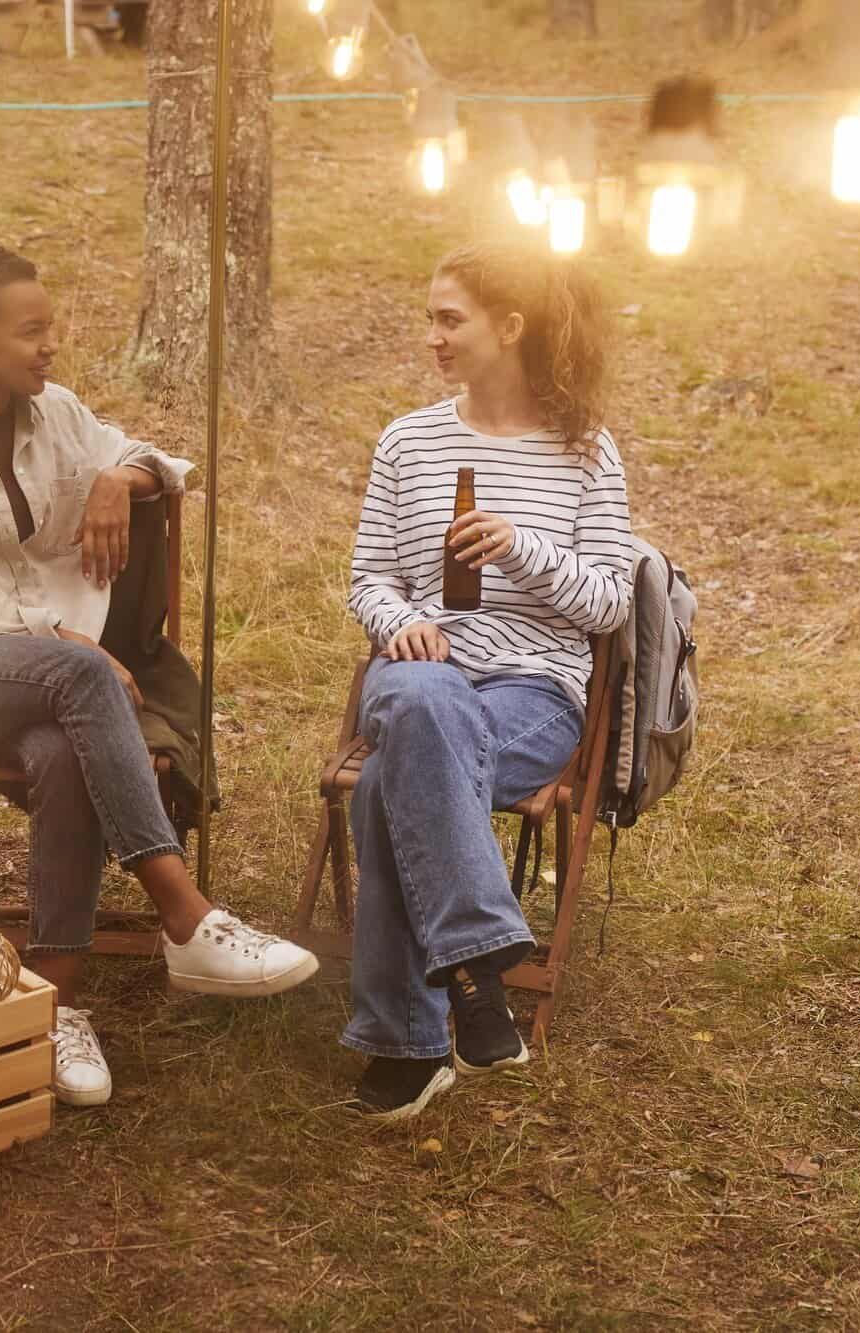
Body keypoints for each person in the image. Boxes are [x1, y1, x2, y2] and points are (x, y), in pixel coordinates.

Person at [0, 223, 317, 1108]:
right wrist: (60, 638)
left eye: (49, 327)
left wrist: (121, 480)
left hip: (42, 683)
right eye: (29, 331)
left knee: (68, 746)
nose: (50, 345)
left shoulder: (56, 414)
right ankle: (184, 913)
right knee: (84, 677)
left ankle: (54, 1001)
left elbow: (156, 459)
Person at [341, 241, 633, 1120]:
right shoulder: (410, 441)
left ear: (509, 328)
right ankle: (476, 969)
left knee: (392, 779)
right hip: (419, 667)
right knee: (426, 703)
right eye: (430, 316)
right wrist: (401, 622)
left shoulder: (584, 452)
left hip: (533, 692)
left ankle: (411, 1041)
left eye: (449, 318)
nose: (432, 336)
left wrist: (521, 546)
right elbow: (369, 580)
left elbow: (612, 605)